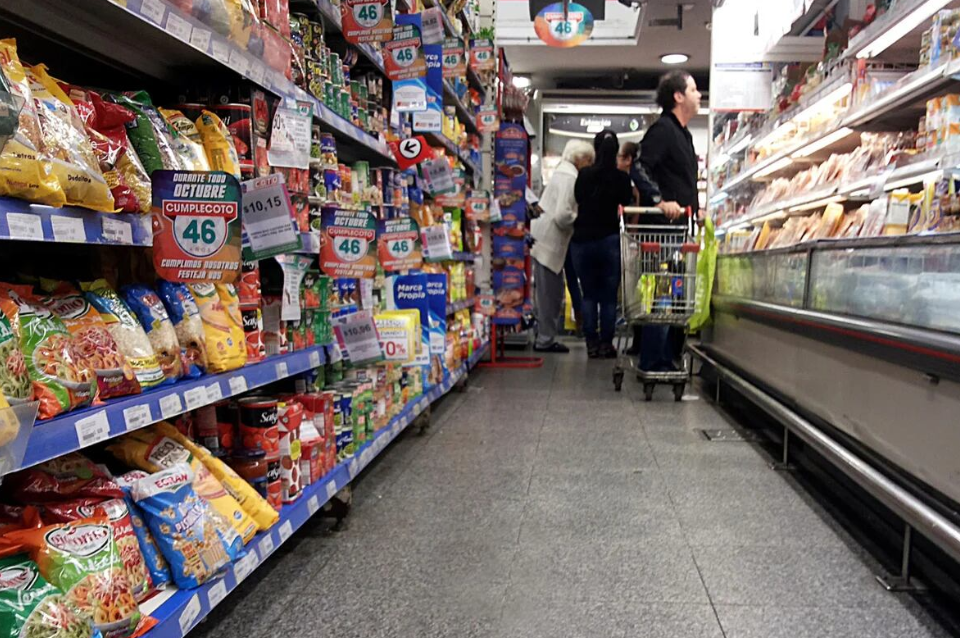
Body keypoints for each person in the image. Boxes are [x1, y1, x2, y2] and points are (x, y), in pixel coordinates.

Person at [636, 69, 702, 371]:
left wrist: (696, 210)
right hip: (663, 231)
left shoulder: (683, 134)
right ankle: (654, 359)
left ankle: (666, 356)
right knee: (663, 292)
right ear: (678, 96)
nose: (699, 95)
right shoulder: (663, 130)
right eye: (694, 89)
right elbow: (640, 167)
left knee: (673, 293)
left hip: (679, 230)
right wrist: (659, 200)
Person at [570, 130, 634, 359]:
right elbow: (626, 201)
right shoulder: (621, 178)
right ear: (616, 151)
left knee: (589, 294)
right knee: (608, 297)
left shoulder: (584, 175)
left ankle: (591, 343)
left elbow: (578, 198)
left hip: (583, 240)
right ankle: (607, 344)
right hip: (609, 240)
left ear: (596, 149)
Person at [531, 140, 595, 352]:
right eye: (589, 160)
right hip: (549, 242)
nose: (590, 165)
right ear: (580, 159)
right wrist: (580, 220)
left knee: (549, 292)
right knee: (550, 295)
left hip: (543, 239)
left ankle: (544, 336)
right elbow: (562, 215)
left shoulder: (562, 173)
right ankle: (545, 340)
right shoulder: (570, 178)